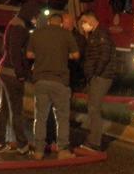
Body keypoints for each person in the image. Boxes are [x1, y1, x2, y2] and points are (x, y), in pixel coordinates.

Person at [26, 13, 80, 160]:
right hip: (59, 81)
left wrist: (43, 55)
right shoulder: (66, 34)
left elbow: (29, 54)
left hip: (41, 81)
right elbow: (76, 55)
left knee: (40, 117)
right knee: (62, 118)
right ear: (61, 23)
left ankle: (38, 151)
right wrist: (63, 55)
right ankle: (62, 150)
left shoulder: (37, 33)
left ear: (49, 22)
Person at [0, 0, 38, 155]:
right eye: (35, 16)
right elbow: (15, 52)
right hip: (12, 73)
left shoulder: (15, 23)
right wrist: (20, 73)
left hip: (4, 70)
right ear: (29, 13)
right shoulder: (19, 27)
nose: (36, 19)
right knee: (16, 111)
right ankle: (22, 146)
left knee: (4, 108)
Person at [45, 12, 87, 153]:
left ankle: (59, 142)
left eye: (67, 23)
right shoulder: (56, 36)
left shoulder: (78, 39)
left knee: (61, 112)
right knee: (49, 110)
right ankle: (48, 140)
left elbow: (76, 57)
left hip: (67, 80)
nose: (64, 25)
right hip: (53, 78)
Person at [79, 12, 117, 151]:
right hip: (98, 76)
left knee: (94, 108)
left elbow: (104, 56)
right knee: (92, 107)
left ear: (90, 20)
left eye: (84, 22)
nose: (83, 26)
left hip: (101, 77)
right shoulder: (95, 34)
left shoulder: (101, 34)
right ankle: (93, 139)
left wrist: (95, 74)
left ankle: (94, 142)